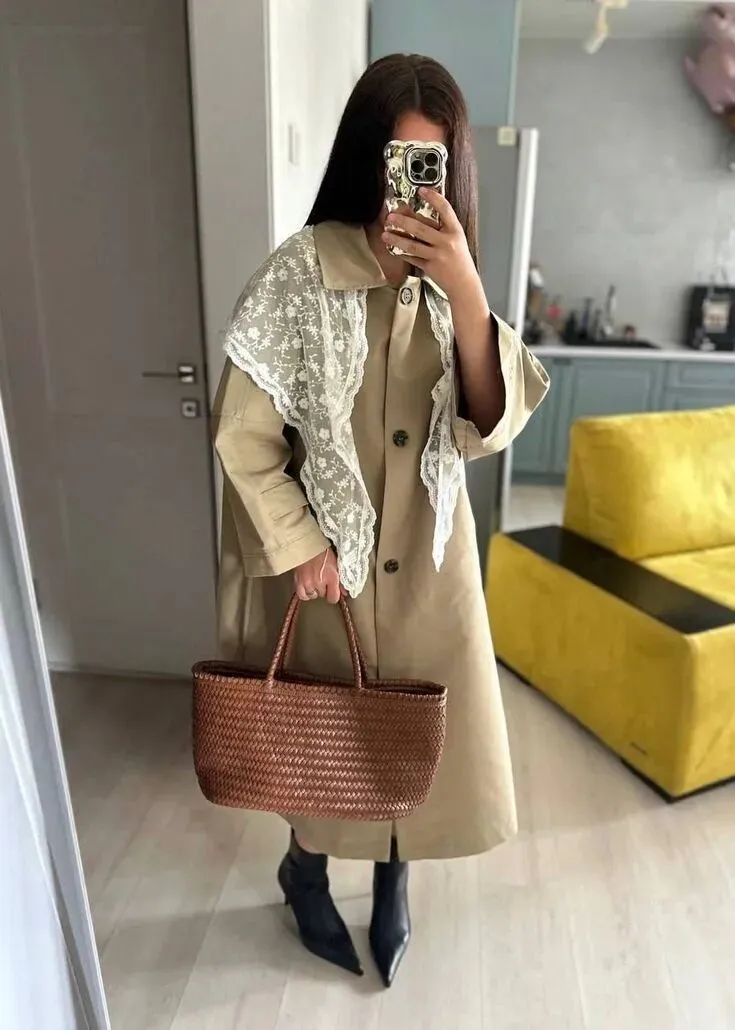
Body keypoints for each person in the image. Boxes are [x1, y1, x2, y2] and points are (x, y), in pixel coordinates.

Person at [211, 53, 549, 987]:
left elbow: (487, 425)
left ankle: (396, 881)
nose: (411, 185)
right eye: (398, 161)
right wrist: (300, 545)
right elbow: (244, 434)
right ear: (367, 157)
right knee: (324, 747)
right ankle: (306, 870)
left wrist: (467, 289)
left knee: (420, 744)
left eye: (430, 164)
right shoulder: (297, 276)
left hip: (432, 573)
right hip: (331, 574)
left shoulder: (454, 283)